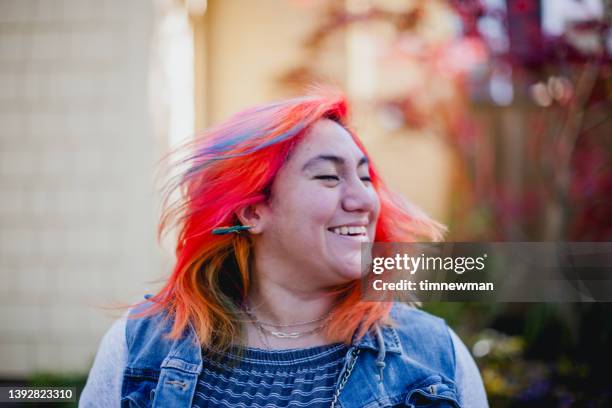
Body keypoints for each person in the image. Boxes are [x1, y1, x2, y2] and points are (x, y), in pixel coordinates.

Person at [79, 88, 488, 407]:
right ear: (252, 212)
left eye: (365, 179)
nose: (363, 200)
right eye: (329, 177)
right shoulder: (140, 348)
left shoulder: (435, 356)